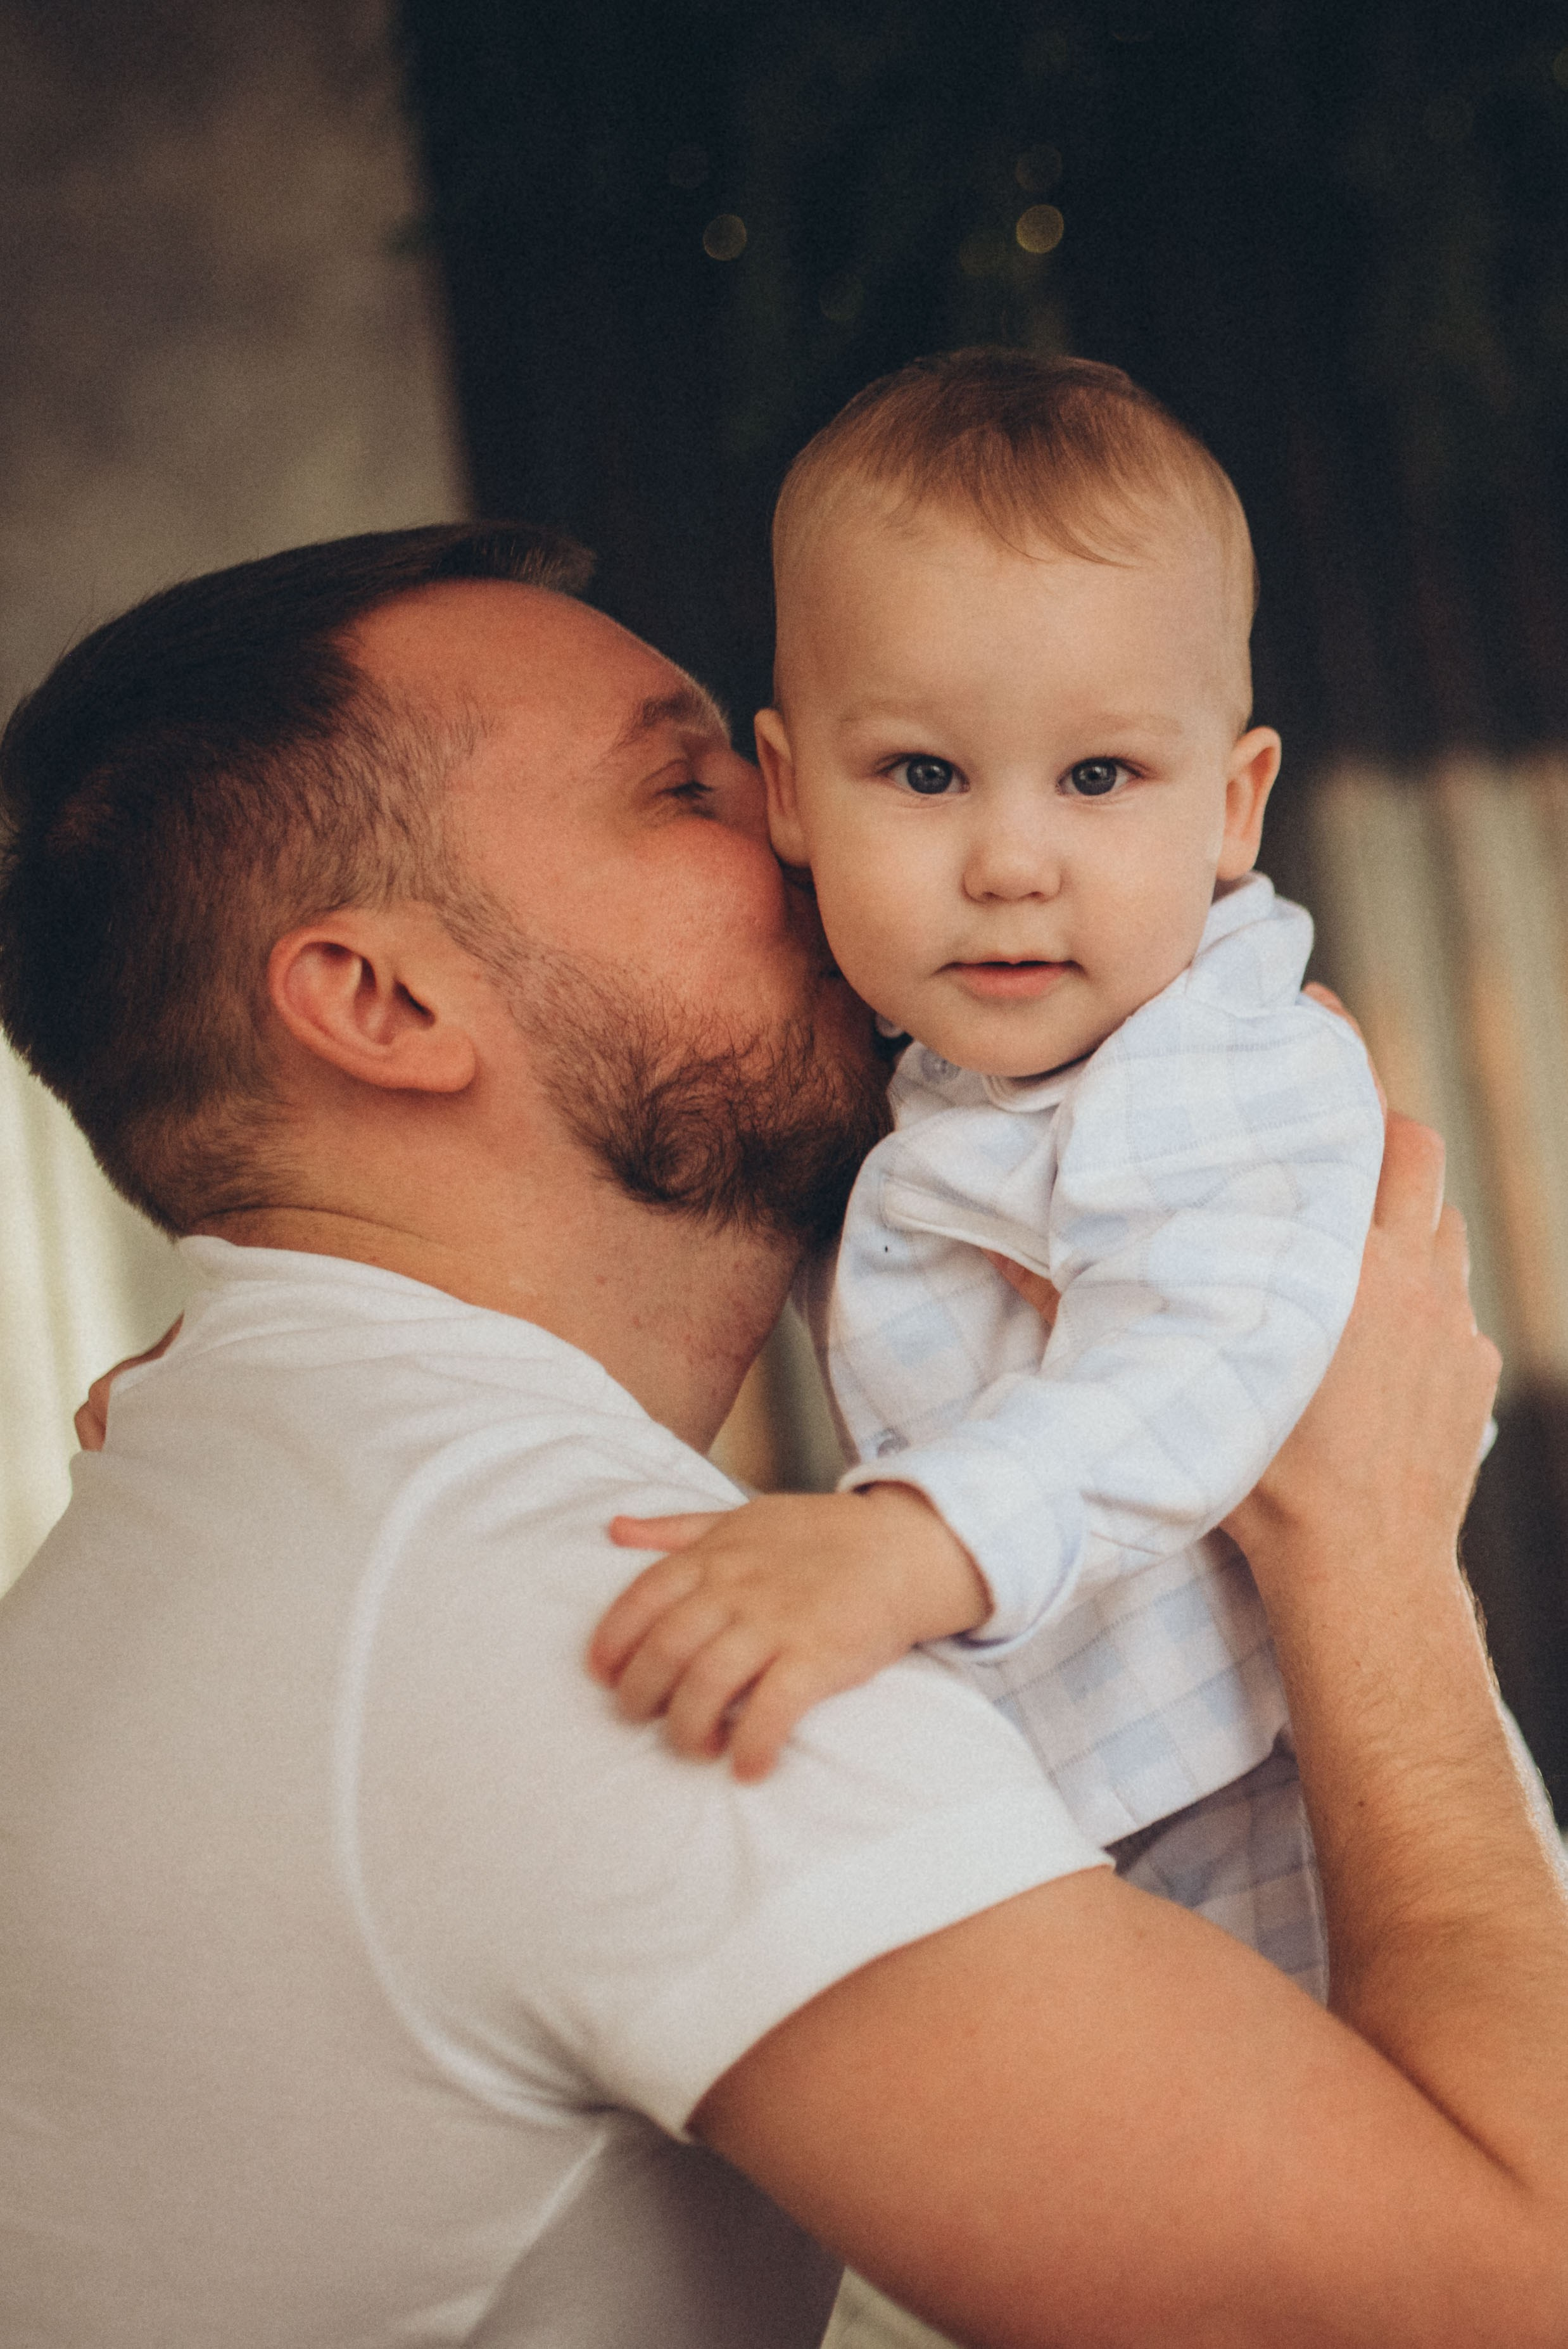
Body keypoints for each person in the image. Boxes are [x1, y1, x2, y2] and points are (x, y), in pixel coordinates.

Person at [0, 523, 1564, 2349]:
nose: (823, 832)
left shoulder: (269, 1499)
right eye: (688, 789)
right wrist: (1361, 1542)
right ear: (386, 1004)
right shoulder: (629, 1627)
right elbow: (1510, 2301)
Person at [591, 353, 1384, 1999]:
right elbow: (654, 1229)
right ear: (791, 791)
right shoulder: (897, 1063)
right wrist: (348, 1333)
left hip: (1274, 1803)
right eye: (925, 774)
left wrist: (911, 1545)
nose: (1012, 863)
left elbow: (1206, 1354)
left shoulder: (1225, 1055)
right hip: (1077, 1802)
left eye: (1098, 778)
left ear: (1232, 804)